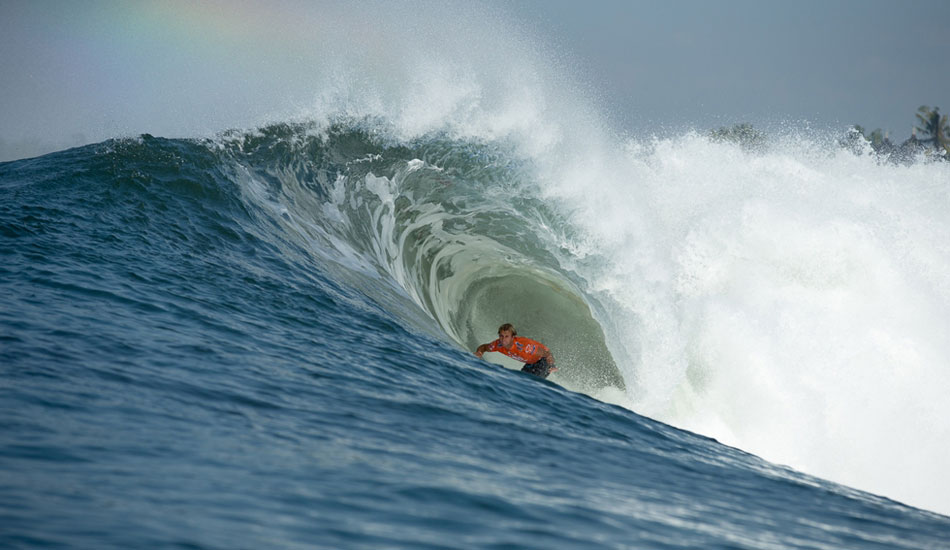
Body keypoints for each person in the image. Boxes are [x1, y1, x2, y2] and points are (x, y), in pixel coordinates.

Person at [475, 323, 558, 378]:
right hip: (531, 362)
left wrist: (551, 364)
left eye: (506, 336)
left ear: (512, 337)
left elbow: (546, 353)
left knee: (532, 383)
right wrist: (479, 353)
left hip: (543, 360)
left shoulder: (523, 346)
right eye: (501, 336)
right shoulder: (498, 345)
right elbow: (484, 347)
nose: (503, 339)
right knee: (520, 380)